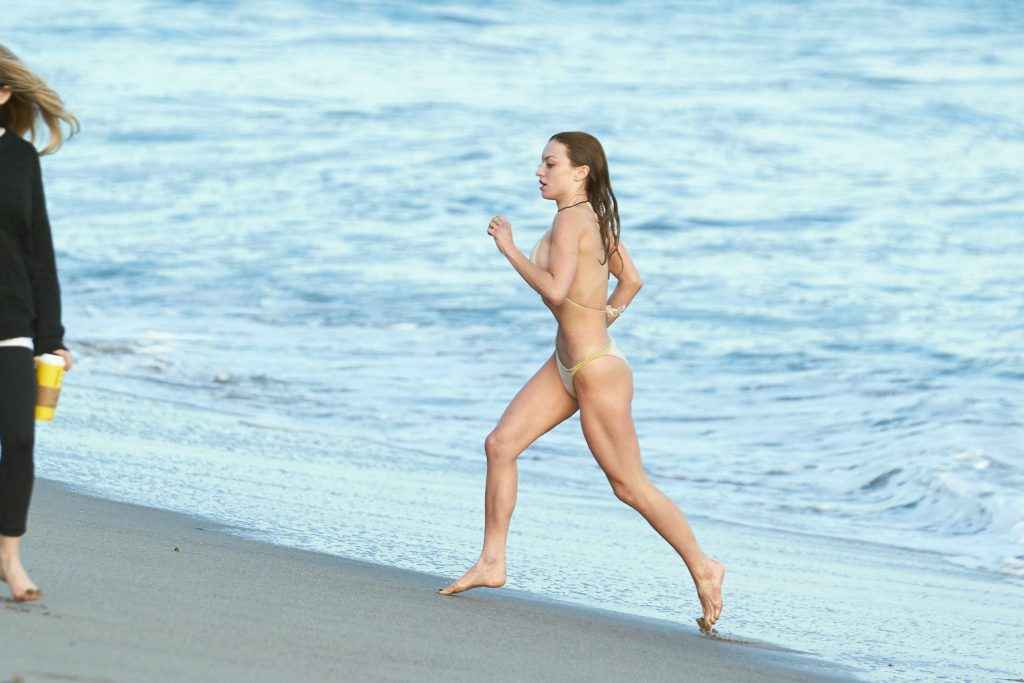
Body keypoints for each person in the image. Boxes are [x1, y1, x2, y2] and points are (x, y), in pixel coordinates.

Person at [439, 132, 725, 630]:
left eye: (550, 164)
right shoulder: (591, 216)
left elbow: (555, 291)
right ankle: (492, 561)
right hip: (567, 363)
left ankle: (704, 566)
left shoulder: (573, 220)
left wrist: (508, 249)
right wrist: (605, 314)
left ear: (580, 172)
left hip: (595, 370)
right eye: (541, 164)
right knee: (500, 444)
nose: (539, 172)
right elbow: (631, 280)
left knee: (628, 485)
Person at [0, 44, 77, 602]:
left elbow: (39, 249)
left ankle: (9, 558)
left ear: (4, 94)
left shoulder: (20, 158)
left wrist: (53, 337)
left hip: (10, 318)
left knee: (20, 440)